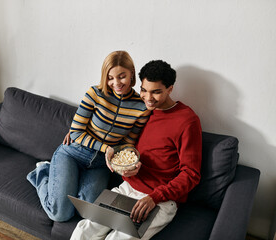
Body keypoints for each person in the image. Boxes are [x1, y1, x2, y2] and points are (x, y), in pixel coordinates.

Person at [70, 60, 203, 239]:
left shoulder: (187, 121)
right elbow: (107, 128)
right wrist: (73, 131)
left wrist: (155, 197)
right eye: (144, 90)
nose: (148, 98)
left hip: (160, 200)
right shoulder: (142, 111)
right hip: (128, 187)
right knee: (83, 231)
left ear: (170, 89)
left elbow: (191, 174)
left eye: (156, 92)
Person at [26, 51, 150, 222]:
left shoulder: (140, 107)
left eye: (122, 76)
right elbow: (76, 132)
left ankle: (65, 183)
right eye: (110, 77)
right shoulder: (95, 94)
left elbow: (129, 143)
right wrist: (106, 148)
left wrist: (127, 165)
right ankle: (41, 174)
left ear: (131, 74)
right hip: (73, 154)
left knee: (85, 210)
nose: (116, 83)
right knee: (60, 214)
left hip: (100, 164)